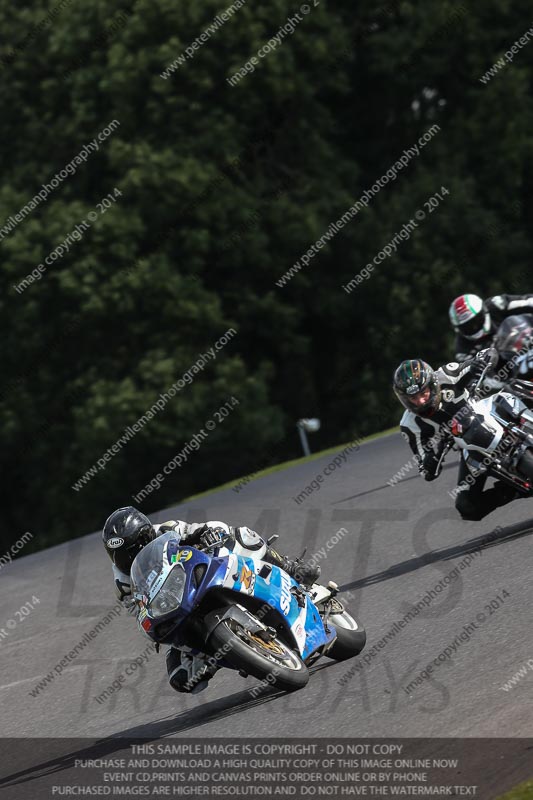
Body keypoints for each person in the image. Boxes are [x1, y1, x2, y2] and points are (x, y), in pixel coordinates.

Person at [102, 507, 320, 694]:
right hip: (177, 605)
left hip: (202, 571)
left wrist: (211, 534)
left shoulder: (167, 529)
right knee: (181, 678)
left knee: (242, 536)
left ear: (146, 534)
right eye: (118, 554)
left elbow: (206, 527)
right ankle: (220, 653)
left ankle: (291, 568)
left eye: (131, 549)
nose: (126, 559)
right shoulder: (123, 585)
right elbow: (141, 612)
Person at [393, 357, 519, 521]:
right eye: (413, 398)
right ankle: (515, 490)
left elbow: (489, 354)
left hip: (489, 410)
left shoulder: (447, 374)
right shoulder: (410, 425)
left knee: (516, 389)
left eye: (423, 393)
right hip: (469, 446)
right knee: (467, 506)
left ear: (432, 384)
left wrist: (479, 365)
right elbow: (425, 470)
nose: (421, 401)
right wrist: (431, 459)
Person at [449, 293, 533, 362]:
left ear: (484, 312)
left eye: (475, 321)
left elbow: (526, 301)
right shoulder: (462, 348)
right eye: (466, 327)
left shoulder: (496, 305)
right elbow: (470, 373)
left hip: (527, 342)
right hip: (508, 371)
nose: (474, 327)